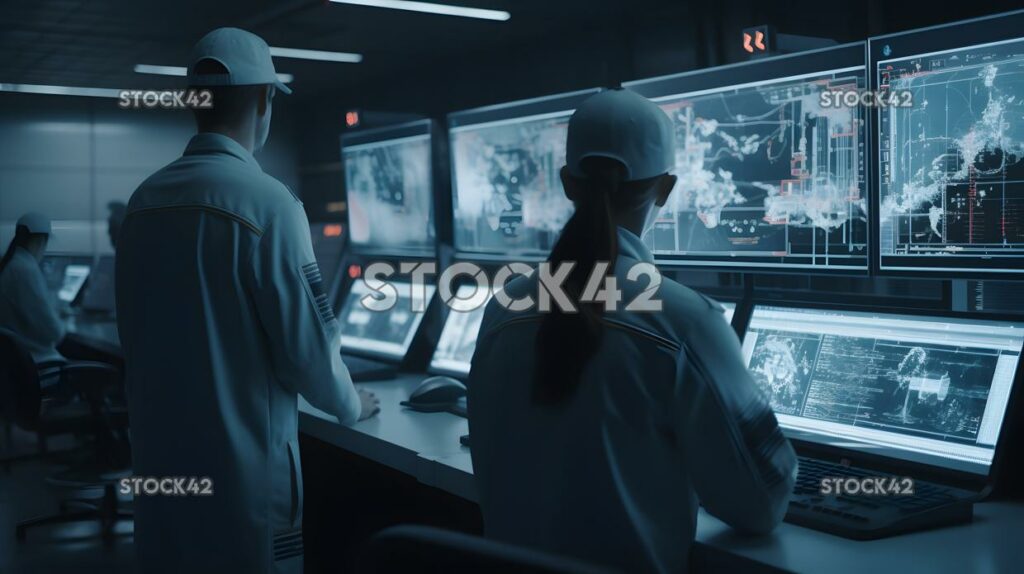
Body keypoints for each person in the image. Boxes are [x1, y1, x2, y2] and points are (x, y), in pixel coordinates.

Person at [467, 89, 798, 573]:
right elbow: (762, 504)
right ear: (665, 188)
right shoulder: (686, 319)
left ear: (567, 184)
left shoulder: (503, 309)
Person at [115, 28, 379, 574]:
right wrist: (352, 404)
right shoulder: (270, 205)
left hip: (163, 471)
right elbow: (311, 351)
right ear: (263, 100)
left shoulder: (144, 204)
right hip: (242, 482)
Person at [0, 213, 65, 363]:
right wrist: (62, 320)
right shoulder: (25, 269)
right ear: (41, 240)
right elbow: (54, 332)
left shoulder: (12, 263)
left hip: (17, 364)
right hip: (38, 363)